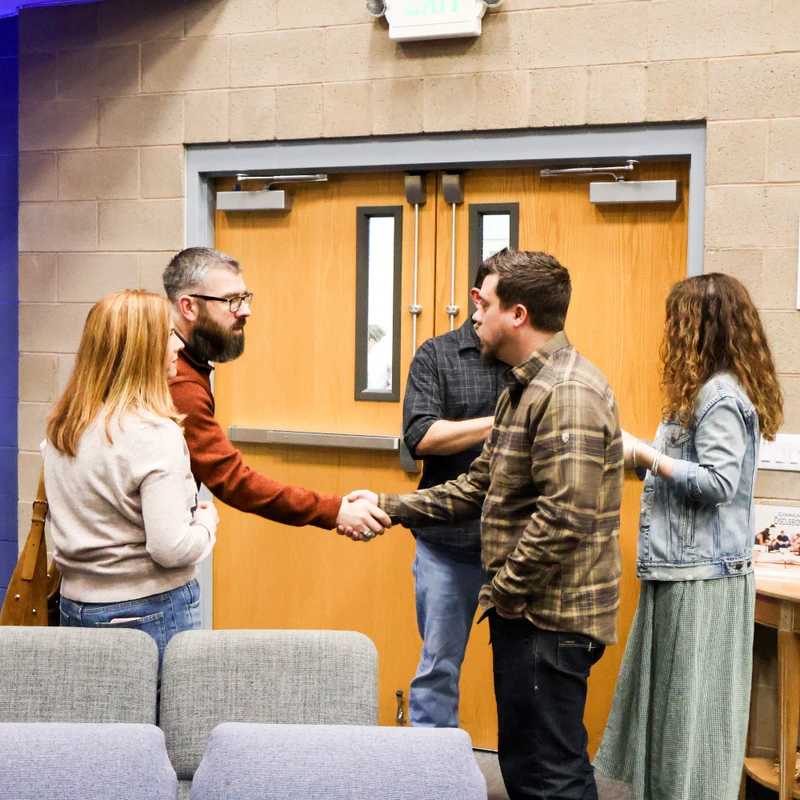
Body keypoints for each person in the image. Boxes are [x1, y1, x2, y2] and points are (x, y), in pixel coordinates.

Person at [356, 249, 624, 800]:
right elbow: (478, 485)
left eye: (487, 302)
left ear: (518, 315)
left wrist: (503, 590)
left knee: (552, 773)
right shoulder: (524, 388)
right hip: (529, 614)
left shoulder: (565, 392)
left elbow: (564, 516)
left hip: (548, 618)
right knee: (526, 764)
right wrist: (390, 504)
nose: (474, 313)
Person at [594, 273, 783, 800]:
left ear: (701, 326)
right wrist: (638, 459)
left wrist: (648, 454)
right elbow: (686, 470)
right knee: (673, 717)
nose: (669, 330)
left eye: (677, 319)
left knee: (689, 718)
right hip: (684, 573)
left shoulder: (719, 395)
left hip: (700, 579)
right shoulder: (704, 392)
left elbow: (718, 482)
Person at [162, 247, 389, 537]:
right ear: (188, 307)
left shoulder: (187, 364)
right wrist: (334, 510)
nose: (245, 311)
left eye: (244, 298)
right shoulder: (178, 380)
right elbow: (231, 479)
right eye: (231, 301)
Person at [44, 290, 219, 663]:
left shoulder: (63, 429)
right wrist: (206, 523)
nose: (178, 343)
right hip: (150, 611)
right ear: (142, 350)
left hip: (76, 609)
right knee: (161, 721)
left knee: (98, 720)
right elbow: (170, 548)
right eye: (168, 335)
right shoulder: (154, 434)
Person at [402, 262, 506, 729]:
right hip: (448, 546)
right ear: (478, 297)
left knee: (525, 671)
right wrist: (499, 422)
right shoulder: (437, 355)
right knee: (439, 667)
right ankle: (432, 775)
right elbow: (420, 436)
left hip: (518, 551)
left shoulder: (529, 358)